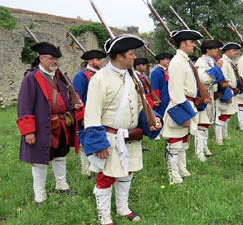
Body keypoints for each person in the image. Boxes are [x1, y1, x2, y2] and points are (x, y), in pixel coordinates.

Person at [78, 34, 162, 225]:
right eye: (131, 54)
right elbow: (91, 114)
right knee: (106, 177)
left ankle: (123, 207)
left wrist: (152, 120)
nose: (135, 57)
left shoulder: (133, 77)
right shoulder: (100, 79)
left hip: (130, 136)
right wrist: (99, 144)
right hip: (110, 137)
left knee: (128, 172)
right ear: (119, 57)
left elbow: (140, 106)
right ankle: (104, 216)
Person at [16, 42, 83, 205]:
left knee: (61, 155)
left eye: (57, 59)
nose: (55, 62)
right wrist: (28, 131)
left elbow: (68, 95)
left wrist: (73, 104)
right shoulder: (31, 78)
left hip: (61, 125)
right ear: (41, 58)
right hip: (41, 127)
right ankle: (40, 195)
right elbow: (24, 105)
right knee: (40, 160)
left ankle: (62, 185)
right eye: (52, 58)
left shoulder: (60, 76)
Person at [161, 30, 202, 184]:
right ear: (183, 44)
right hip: (181, 105)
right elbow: (176, 90)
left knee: (183, 141)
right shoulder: (177, 62)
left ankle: (182, 170)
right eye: (191, 42)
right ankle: (173, 175)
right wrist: (184, 114)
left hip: (187, 103)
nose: (194, 45)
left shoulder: (183, 61)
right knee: (175, 142)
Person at [73, 49, 107, 178]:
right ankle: (85, 170)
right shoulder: (81, 76)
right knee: (85, 142)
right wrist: (82, 116)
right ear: (90, 61)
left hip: (102, 114)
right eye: (98, 59)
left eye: (101, 59)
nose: (101, 62)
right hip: (87, 115)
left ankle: (99, 167)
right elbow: (77, 98)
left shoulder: (103, 75)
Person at [195, 40, 230, 159]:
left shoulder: (211, 61)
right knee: (201, 123)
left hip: (211, 93)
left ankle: (205, 147)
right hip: (203, 94)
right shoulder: (201, 62)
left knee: (207, 122)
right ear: (207, 50)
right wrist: (218, 68)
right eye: (214, 48)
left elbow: (216, 78)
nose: (216, 50)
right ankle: (199, 152)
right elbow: (203, 79)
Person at [217, 42, 242, 144]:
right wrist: (227, 94)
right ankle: (219, 139)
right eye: (233, 51)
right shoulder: (223, 62)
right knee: (222, 116)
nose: (235, 53)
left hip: (231, 91)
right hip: (225, 91)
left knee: (227, 115)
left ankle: (224, 135)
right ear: (227, 51)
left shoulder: (229, 62)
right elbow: (222, 80)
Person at [150, 53, 173, 118]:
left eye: (169, 59)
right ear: (161, 60)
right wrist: (157, 101)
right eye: (166, 59)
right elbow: (154, 89)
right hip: (161, 101)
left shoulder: (168, 71)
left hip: (169, 100)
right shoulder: (156, 72)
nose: (168, 61)